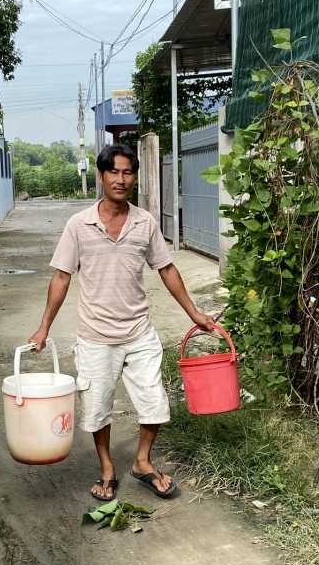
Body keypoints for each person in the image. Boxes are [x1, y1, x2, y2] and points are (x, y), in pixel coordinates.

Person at [29, 144, 216, 501]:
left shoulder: (144, 222)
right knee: (97, 409)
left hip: (139, 332)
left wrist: (194, 313)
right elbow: (61, 278)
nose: (121, 179)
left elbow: (167, 268)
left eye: (128, 172)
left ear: (134, 177)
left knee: (155, 402)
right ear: (101, 177)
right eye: (113, 172)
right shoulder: (78, 225)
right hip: (96, 336)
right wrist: (44, 328)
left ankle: (143, 461)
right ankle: (107, 468)